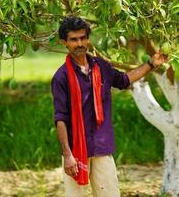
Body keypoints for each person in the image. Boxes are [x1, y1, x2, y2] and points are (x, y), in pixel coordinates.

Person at [51, 16, 167, 197]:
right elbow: (61, 118)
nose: (79, 43)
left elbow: (123, 80)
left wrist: (151, 64)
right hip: (75, 151)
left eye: (83, 38)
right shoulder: (61, 77)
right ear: (64, 42)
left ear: (88, 39)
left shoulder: (101, 67)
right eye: (74, 39)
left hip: (101, 145)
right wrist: (67, 154)